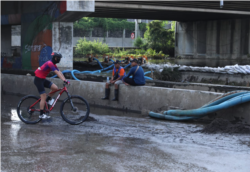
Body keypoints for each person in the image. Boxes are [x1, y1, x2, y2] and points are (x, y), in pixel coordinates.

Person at [34, 52, 69, 119]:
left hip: (42, 79)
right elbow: (57, 73)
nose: (59, 60)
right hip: (38, 80)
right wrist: (64, 81)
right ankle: (41, 114)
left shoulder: (53, 64)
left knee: (55, 88)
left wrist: (66, 80)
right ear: (55, 58)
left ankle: (47, 100)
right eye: (59, 58)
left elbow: (60, 72)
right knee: (43, 96)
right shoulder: (50, 63)